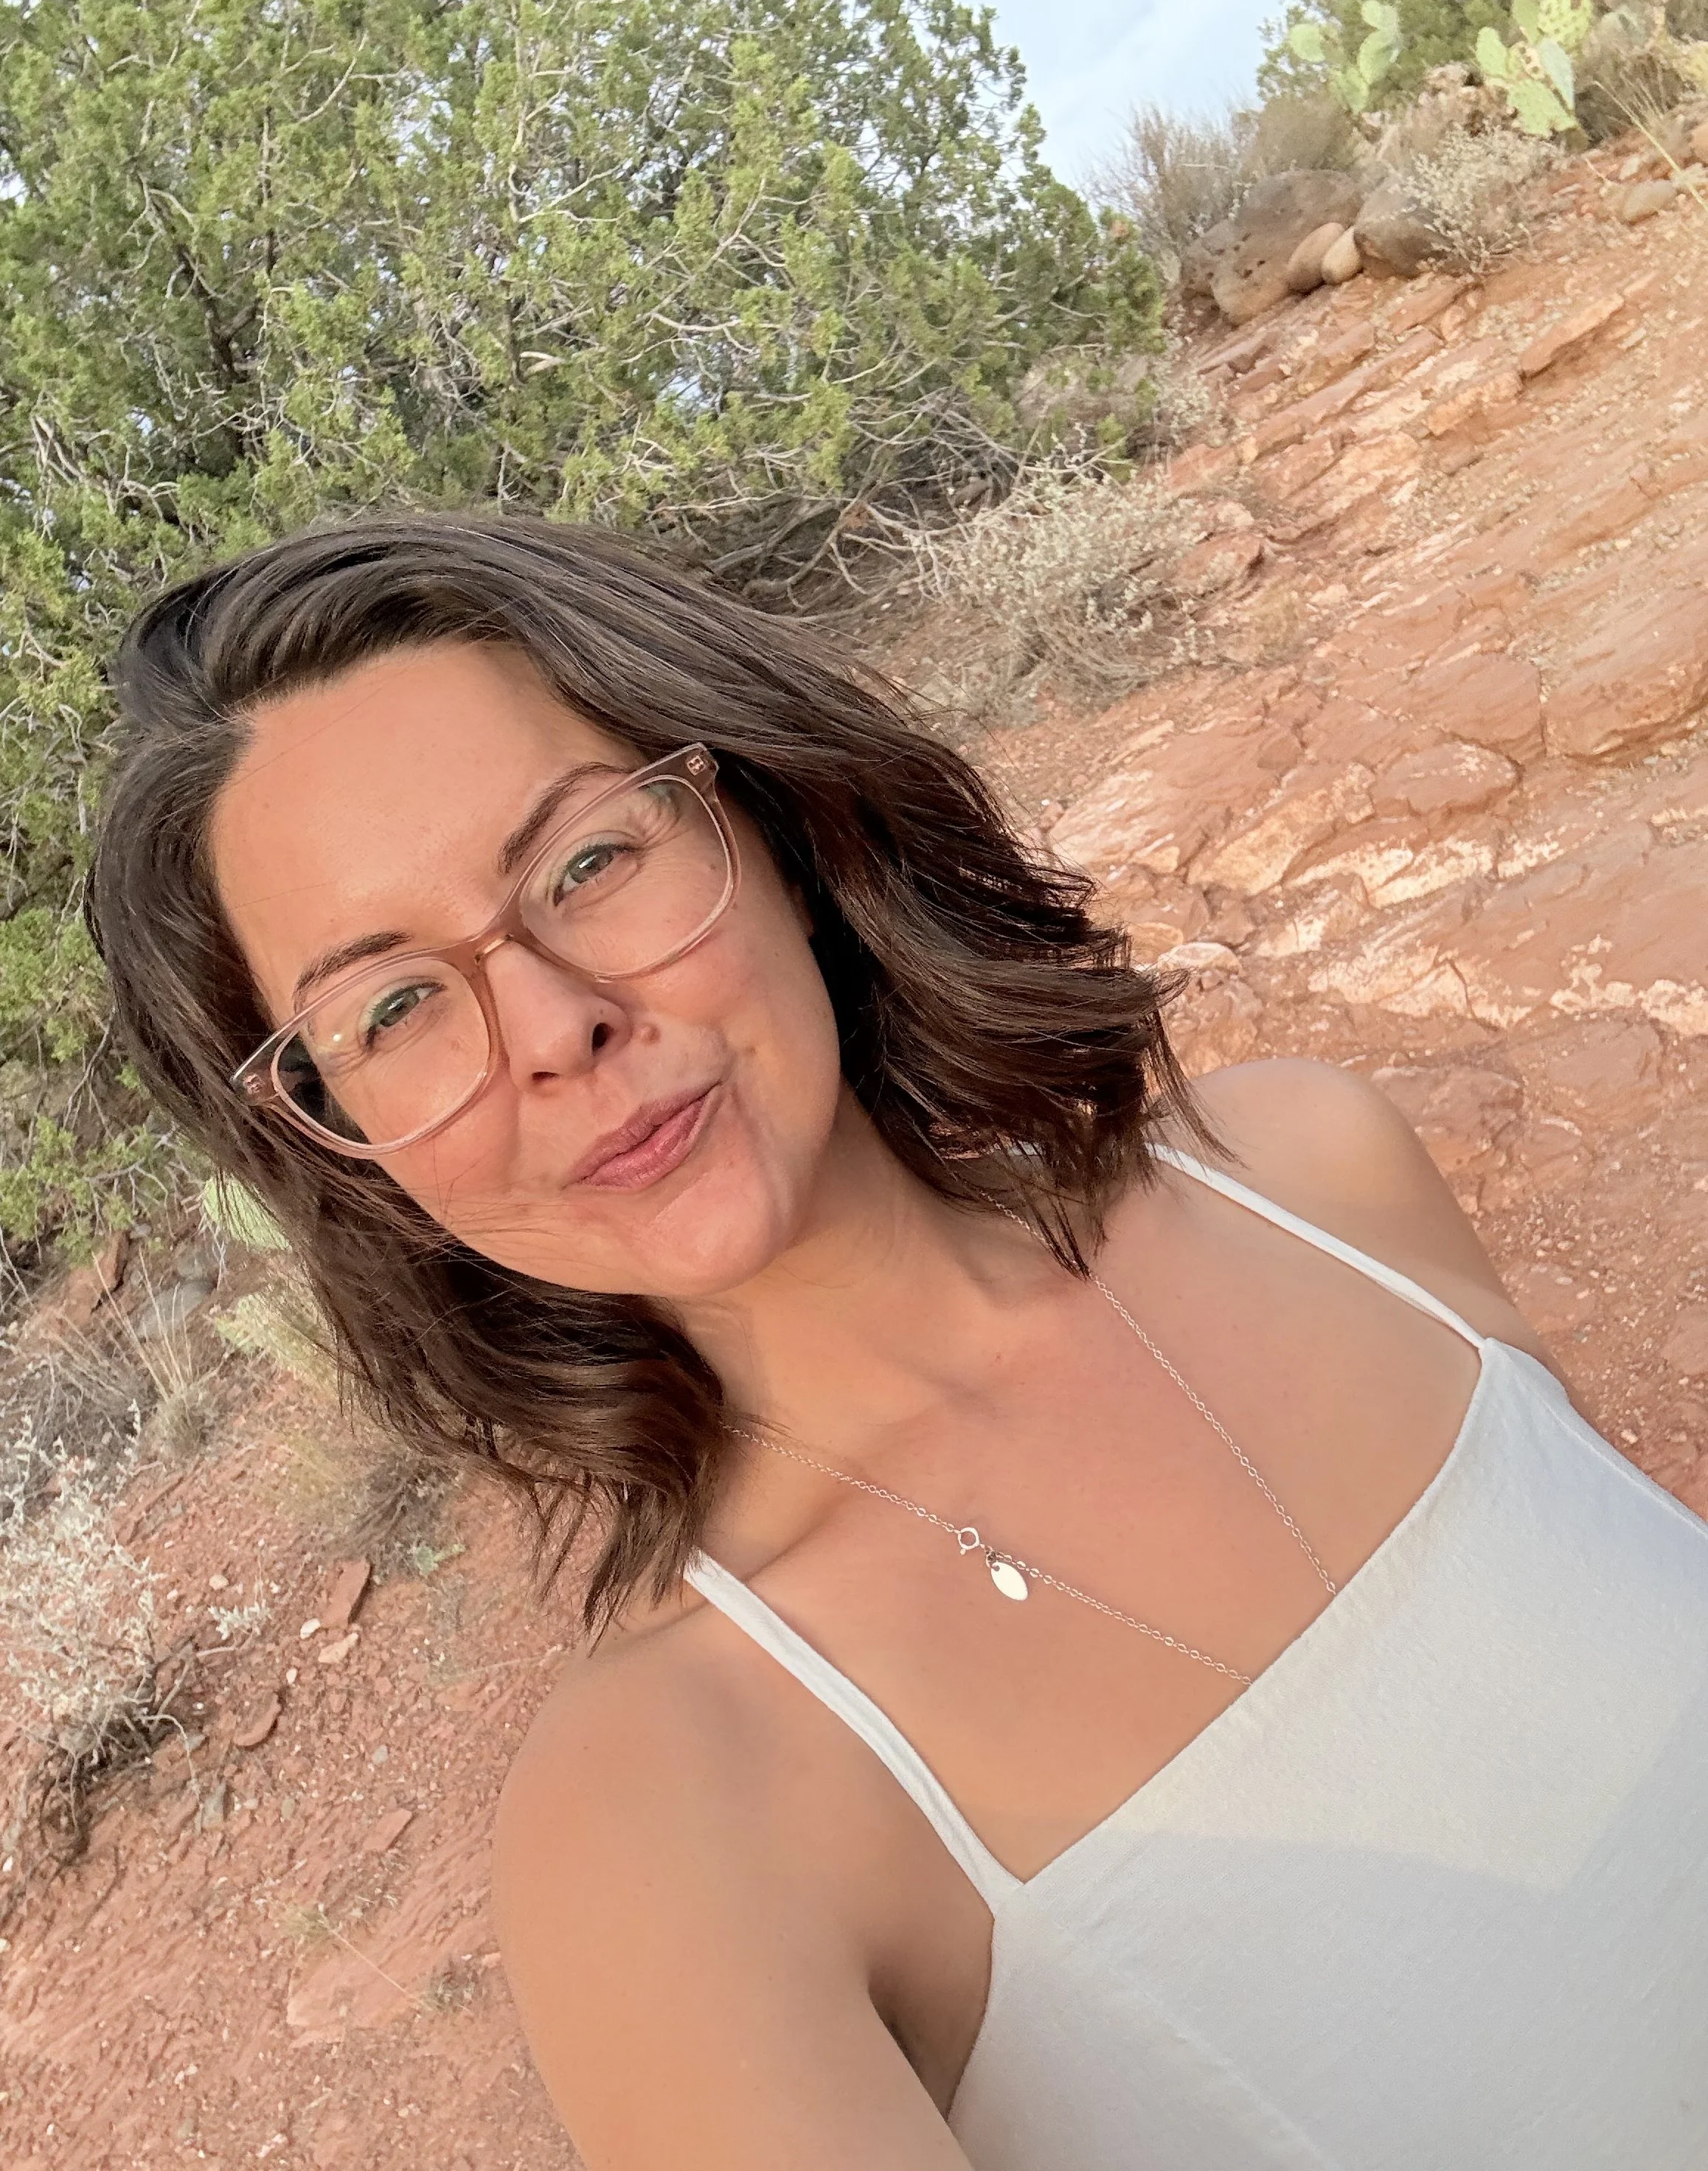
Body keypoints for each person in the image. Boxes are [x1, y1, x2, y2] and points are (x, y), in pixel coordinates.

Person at [88, 512, 1708, 2171]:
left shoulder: (1315, 1174)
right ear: (341, 1140)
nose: (559, 1024)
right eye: (395, 1008)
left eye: (587, 862)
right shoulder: (670, 1820)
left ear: (767, 825)